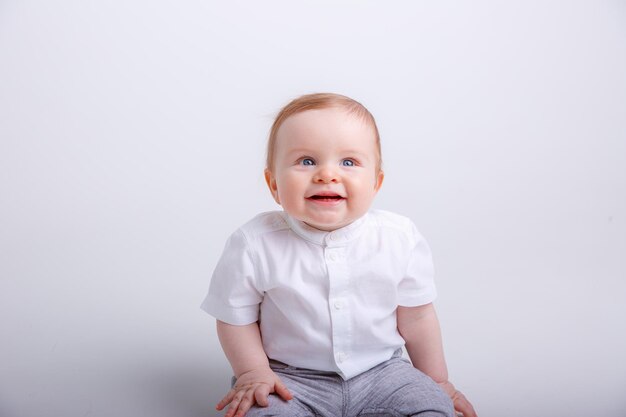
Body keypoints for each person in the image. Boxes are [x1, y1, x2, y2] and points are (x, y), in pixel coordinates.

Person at [201, 93, 477, 417]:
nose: (327, 175)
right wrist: (253, 371)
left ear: (376, 183)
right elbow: (236, 318)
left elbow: (417, 318)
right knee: (262, 411)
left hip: (383, 374)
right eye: (306, 161)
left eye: (348, 162)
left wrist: (437, 382)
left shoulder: (399, 238)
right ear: (273, 183)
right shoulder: (254, 243)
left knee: (430, 407)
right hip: (289, 378)